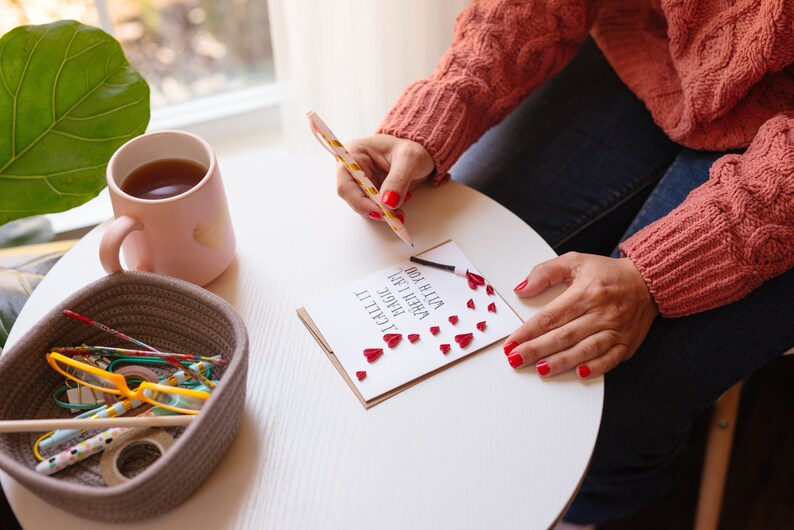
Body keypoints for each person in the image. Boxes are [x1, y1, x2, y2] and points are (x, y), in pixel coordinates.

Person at [334, 0, 794, 527]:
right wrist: (443, 104)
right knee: (435, 261)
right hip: (650, 46)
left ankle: (587, 511)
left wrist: (663, 272)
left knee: (602, 410)